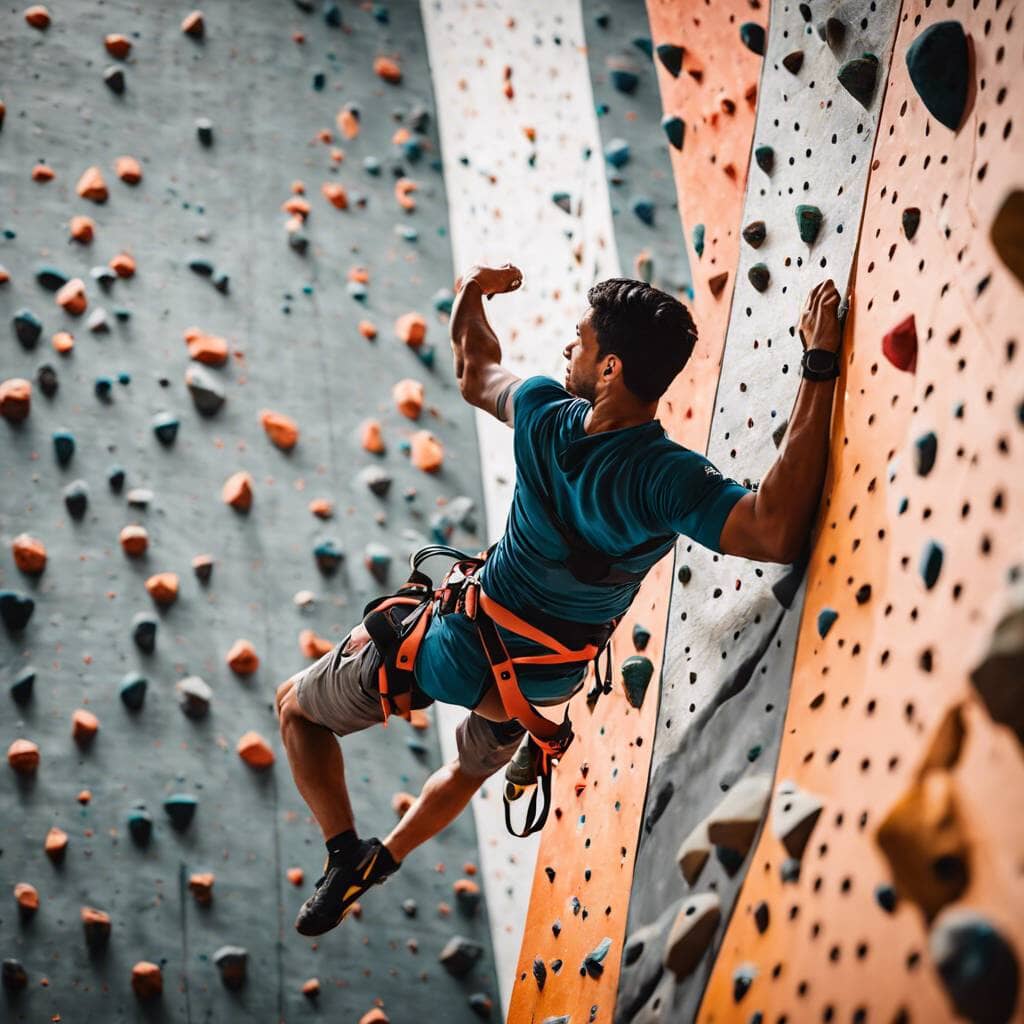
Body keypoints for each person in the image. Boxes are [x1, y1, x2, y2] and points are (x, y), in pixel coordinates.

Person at [275, 264, 844, 936]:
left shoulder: (544, 412)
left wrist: (469, 293)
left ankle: (346, 855)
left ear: (609, 369)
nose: (567, 349)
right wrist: (819, 364)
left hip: (453, 654)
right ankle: (388, 856)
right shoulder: (671, 480)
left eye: (579, 340)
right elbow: (775, 528)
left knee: (296, 710)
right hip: (541, 686)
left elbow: (472, 368)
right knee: (464, 769)